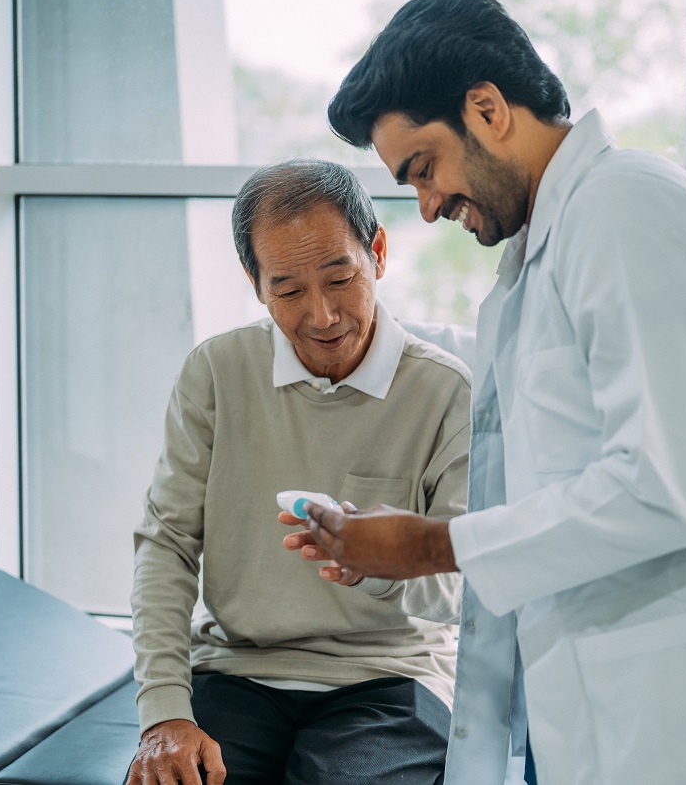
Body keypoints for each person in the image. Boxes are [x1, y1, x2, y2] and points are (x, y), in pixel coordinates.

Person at [294, 0, 686, 784]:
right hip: (604, 715)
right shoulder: (536, 266)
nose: (426, 207)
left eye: (424, 169)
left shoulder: (627, 208)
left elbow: (660, 485)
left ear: (488, 108)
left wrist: (430, 544)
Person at [126, 159, 471, 785]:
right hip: (237, 668)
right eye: (288, 290)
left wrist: (383, 564)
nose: (322, 315)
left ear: (379, 253)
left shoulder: (447, 391)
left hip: (392, 675)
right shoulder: (217, 372)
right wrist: (163, 714)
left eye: (340, 278)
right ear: (256, 285)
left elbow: (467, 584)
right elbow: (166, 544)